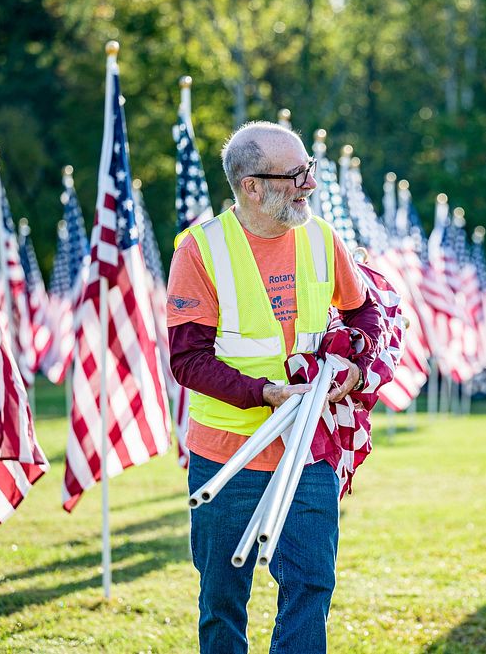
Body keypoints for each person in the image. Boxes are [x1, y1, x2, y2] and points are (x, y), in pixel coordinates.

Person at [167, 121, 380, 654]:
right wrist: (264, 393)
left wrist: (355, 361)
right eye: (296, 175)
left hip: (308, 451)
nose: (310, 184)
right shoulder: (199, 250)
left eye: (309, 170)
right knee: (222, 603)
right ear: (251, 186)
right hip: (225, 457)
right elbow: (188, 361)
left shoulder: (322, 237)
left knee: (311, 588)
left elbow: (365, 313)